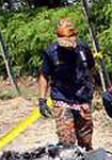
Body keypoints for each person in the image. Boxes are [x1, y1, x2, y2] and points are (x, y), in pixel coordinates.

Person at [38, 18, 95, 150]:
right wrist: (42, 100)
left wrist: (91, 86)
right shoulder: (51, 52)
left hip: (82, 97)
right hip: (61, 98)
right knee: (67, 141)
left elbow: (92, 68)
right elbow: (44, 76)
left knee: (86, 140)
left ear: (75, 36)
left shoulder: (83, 49)